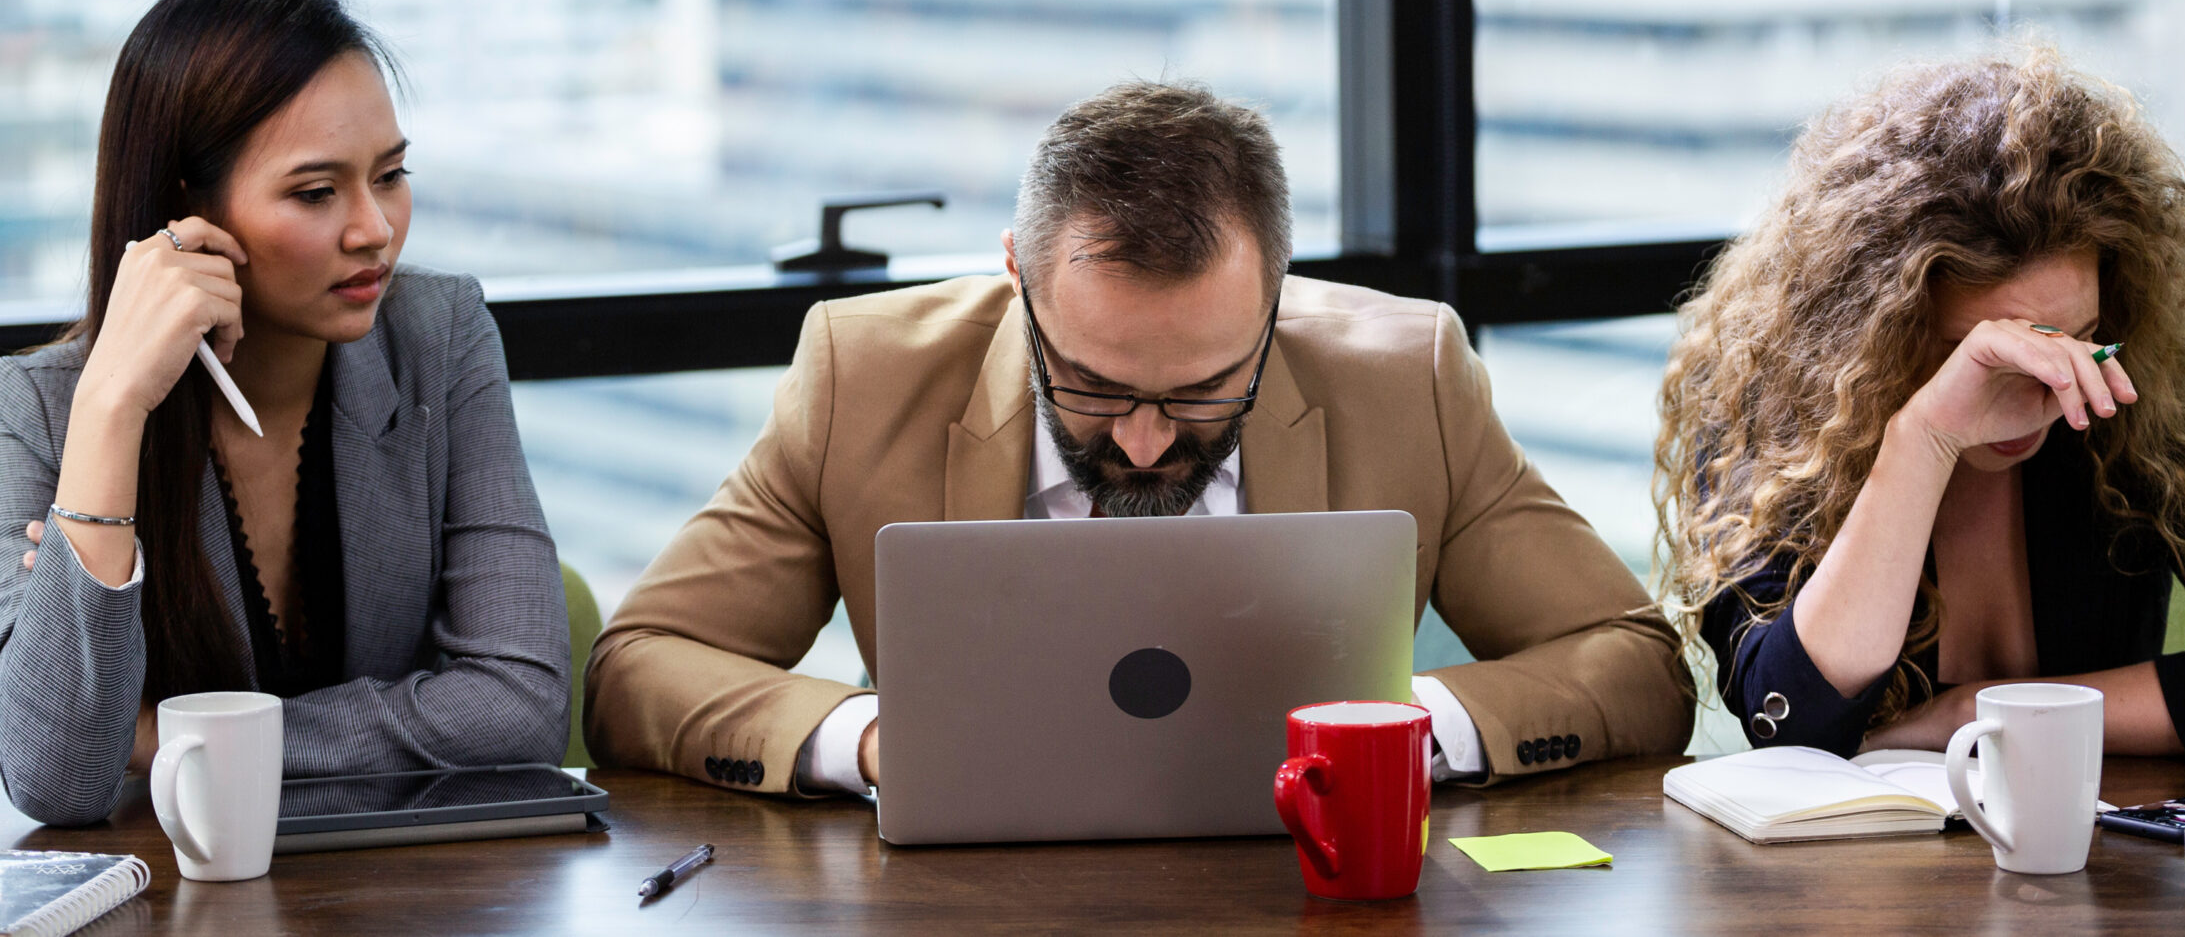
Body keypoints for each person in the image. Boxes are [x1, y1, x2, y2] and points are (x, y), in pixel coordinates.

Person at [587, 81, 1692, 797]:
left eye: (1210, 388)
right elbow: (637, 668)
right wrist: (872, 742)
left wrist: (1407, 727)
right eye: (1094, 385)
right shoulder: (861, 373)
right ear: (1015, 277)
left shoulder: (1411, 373)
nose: (1153, 439)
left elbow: (1633, 660)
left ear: (1276, 298)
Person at [0, 0, 568, 826]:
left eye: (391, 175)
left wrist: (171, 740)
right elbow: (59, 779)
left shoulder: (438, 339)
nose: (374, 229)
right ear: (190, 211)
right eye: (316, 192)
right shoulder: (44, 412)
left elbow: (522, 707)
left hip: (414, 895)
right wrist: (109, 409)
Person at [1654, 51, 2185, 761]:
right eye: (1982, 354)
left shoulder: (2129, 396)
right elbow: (1791, 725)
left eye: (2078, 340)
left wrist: (1977, 713)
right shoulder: (1772, 420)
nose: (2041, 394)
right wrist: (1923, 440)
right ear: (1871, 336)